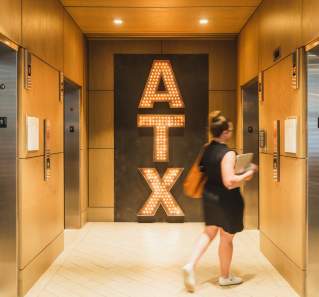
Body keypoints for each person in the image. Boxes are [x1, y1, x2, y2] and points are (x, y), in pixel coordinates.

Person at [182, 110, 258, 292]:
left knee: (209, 232)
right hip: (226, 200)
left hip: (209, 196)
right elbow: (229, 182)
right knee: (226, 238)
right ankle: (225, 277)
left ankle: (190, 264)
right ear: (224, 133)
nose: (231, 132)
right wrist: (248, 172)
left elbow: (207, 170)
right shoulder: (228, 153)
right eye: (230, 130)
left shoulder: (207, 148)